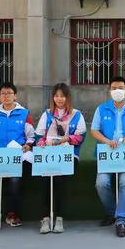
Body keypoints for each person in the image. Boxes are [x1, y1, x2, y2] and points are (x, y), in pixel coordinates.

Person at [91, 76, 125, 237]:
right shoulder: (101, 109)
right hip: (107, 152)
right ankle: (111, 211)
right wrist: (107, 141)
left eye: (120, 87)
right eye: (114, 88)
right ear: (109, 91)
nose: (117, 91)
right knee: (101, 183)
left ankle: (122, 220)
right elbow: (94, 130)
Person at [0, 82, 35, 235]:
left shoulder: (24, 113)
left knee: (15, 181)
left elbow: (31, 137)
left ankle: (12, 213)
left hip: (16, 156)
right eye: (3, 93)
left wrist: (27, 146)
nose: (6, 96)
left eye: (9, 93)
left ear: (15, 95)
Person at [35, 83, 86, 234]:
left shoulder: (77, 114)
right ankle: (45, 218)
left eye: (62, 96)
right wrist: (44, 142)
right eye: (56, 96)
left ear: (67, 97)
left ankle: (59, 219)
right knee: (44, 182)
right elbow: (39, 136)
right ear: (52, 98)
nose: (59, 99)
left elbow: (80, 137)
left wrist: (64, 140)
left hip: (68, 156)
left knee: (60, 182)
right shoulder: (47, 114)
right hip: (48, 156)